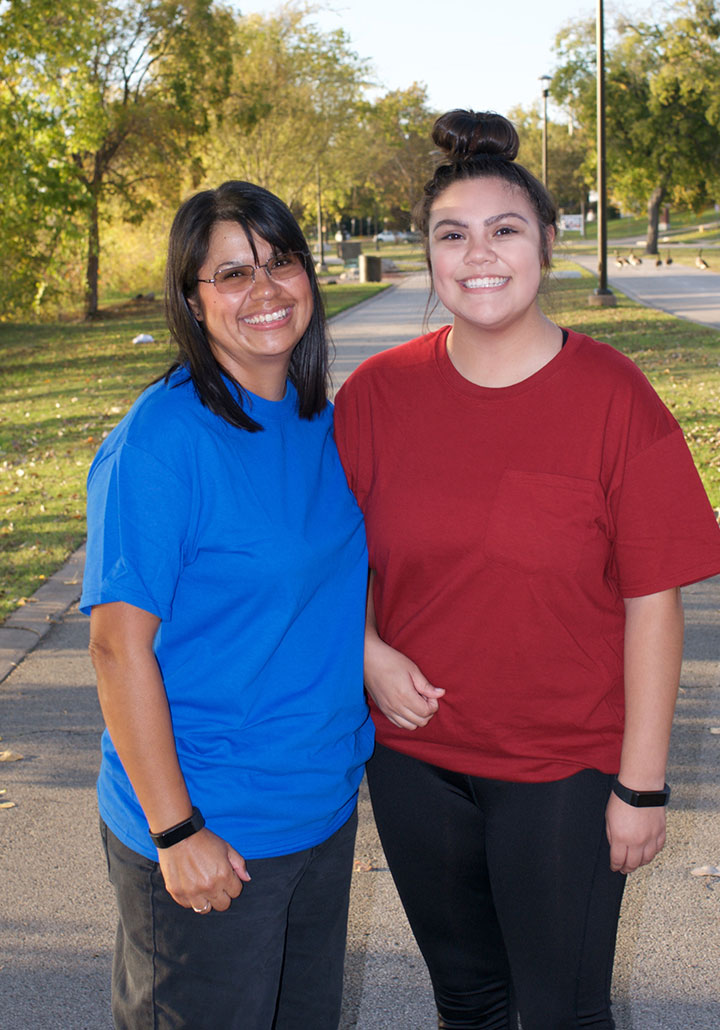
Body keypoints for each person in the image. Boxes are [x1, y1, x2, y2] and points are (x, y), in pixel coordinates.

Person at [333, 110, 720, 1030]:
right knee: (467, 1003)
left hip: (564, 766)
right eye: (451, 235)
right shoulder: (379, 395)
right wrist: (367, 650)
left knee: (562, 1011)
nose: (480, 255)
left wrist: (641, 784)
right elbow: (321, 562)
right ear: (428, 255)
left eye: (504, 230)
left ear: (548, 242)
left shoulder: (615, 398)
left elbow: (653, 606)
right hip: (417, 763)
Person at [80, 180, 373, 1030]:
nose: (265, 291)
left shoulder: (313, 417)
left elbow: (318, 583)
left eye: (281, 264)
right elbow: (114, 648)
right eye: (232, 274)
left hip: (315, 811)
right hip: (213, 827)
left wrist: (372, 651)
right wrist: (176, 832)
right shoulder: (164, 440)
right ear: (191, 299)